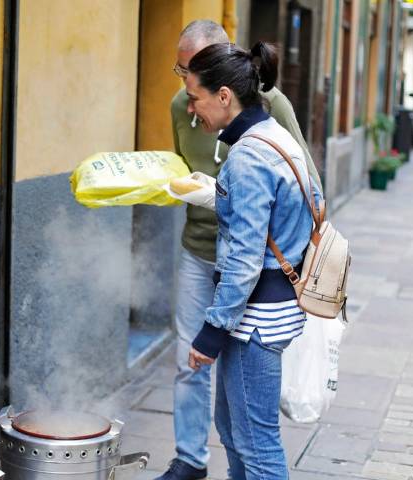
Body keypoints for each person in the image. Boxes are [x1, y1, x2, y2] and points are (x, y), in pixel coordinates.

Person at [157, 20, 322, 480]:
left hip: (255, 320)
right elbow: (314, 200)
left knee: (255, 441)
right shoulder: (271, 135)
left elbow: (245, 259)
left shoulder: (248, 156)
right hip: (266, 311)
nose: (190, 107)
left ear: (224, 96)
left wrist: (212, 331)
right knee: (233, 428)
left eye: (195, 96)